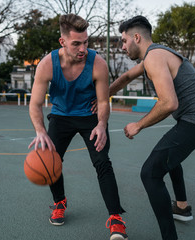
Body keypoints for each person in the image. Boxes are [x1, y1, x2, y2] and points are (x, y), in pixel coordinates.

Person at [108, 16, 195, 240]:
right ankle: (181, 207)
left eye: (123, 40)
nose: (122, 47)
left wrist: (138, 125)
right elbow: (126, 77)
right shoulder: (155, 54)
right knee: (169, 158)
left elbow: (169, 103)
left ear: (136, 38)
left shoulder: (154, 58)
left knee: (150, 173)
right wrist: (102, 95)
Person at [28, 14, 128, 240]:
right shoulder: (46, 65)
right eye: (76, 43)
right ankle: (59, 201)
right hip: (61, 116)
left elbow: (103, 102)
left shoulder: (98, 63)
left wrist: (102, 124)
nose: (83, 48)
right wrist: (40, 131)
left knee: (102, 162)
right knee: (50, 160)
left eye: (86, 42)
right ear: (62, 42)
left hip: (89, 116)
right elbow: (34, 104)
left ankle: (116, 219)